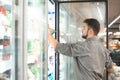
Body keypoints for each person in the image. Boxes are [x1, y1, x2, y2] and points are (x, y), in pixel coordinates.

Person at [48, 18, 112, 80]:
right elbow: (110, 69)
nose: (82, 30)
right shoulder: (103, 48)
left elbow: (56, 46)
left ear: (90, 31)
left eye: (84, 27)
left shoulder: (83, 47)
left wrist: (47, 32)